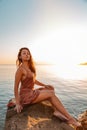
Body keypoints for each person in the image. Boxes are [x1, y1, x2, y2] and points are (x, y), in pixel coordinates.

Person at [14, 47, 81, 128]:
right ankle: (70, 118)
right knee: (51, 93)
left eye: (28, 53)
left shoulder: (29, 68)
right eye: (24, 53)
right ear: (20, 57)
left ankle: (56, 111)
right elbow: (16, 87)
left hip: (32, 92)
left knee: (50, 88)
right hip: (26, 95)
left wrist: (44, 85)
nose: (27, 55)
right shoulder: (20, 70)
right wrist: (17, 103)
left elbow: (33, 80)